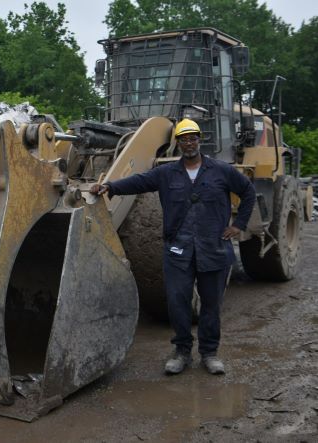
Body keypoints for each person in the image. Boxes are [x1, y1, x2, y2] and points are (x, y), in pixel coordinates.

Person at [90, 119, 256, 375]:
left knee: (211, 305)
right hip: (178, 251)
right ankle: (181, 352)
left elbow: (248, 192)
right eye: (183, 139)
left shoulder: (221, 170)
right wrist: (110, 186)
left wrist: (239, 225)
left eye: (193, 139)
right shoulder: (167, 174)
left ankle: (210, 354)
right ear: (177, 143)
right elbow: (140, 181)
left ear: (199, 140)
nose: (188, 143)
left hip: (213, 249)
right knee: (178, 303)